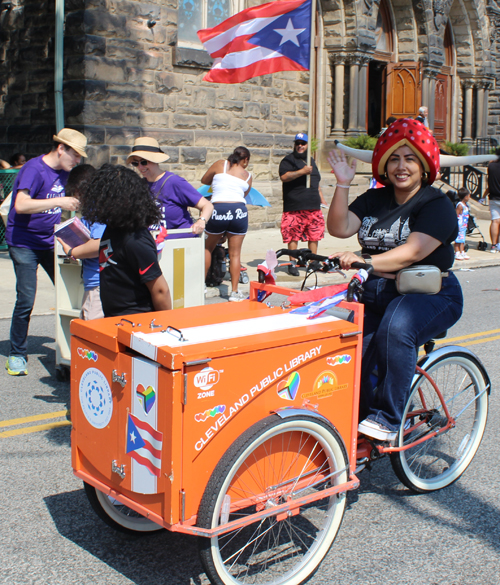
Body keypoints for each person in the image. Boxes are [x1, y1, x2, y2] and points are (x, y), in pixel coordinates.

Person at [327, 118, 463, 442]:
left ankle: (387, 419)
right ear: (384, 164)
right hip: (376, 290)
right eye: (395, 159)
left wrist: (365, 261)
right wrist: (343, 183)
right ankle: (353, 420)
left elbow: (412, 252)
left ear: (424, 164)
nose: (402, 166)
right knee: (351, 350)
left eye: (410, 158)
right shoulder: (375, 199)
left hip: (430, 293)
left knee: (396, 328)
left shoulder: (435, 203)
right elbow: (340, 227)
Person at [5, 128, 85, 376]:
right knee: (26, 298)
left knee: (71, 293)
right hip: (23, 243)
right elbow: (21, 205)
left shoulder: (65, 172)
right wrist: (59, 202)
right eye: (75, 155)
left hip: (50, 241)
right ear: (61, 148)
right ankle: (17, 354)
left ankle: (70, 354)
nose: (78, 161)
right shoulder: (33, 168)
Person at [79, 164, 172, 317]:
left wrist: (165, 324)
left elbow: (161, 290)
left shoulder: (136, 239)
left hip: (137, 321)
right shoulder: (113, 228)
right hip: (114, 317)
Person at [127, 137, 213, 239]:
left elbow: (207, 205)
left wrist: (201, 221)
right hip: (151, 244)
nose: (140, 167)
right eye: (135, 163)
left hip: (178, 243)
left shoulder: (174, 182)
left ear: (155, 160)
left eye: (144, 162)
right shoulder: (139, 185)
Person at [201, 146, 251, 302]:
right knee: (235, 254)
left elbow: (204, 180)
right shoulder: (248, 176)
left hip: (219, 208)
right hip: (238, 210)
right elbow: (244, 194)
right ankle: (234, 292)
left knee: (207, 248)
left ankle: (200, 286)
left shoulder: (220, 164)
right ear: (246, 160)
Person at [56, 164, 106, 320]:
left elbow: (97, 244)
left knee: (92, 336)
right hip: (96, 280)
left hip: (98, 281)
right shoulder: (95, 208)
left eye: (76, 192)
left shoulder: (98, 210)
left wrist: (72, 251)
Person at [279, 132, 327, 276]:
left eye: (303, 143)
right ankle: (292, 263)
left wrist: (322, 199)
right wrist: (302, 172)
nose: (300, 146)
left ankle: (313, 262)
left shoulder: (311, 161)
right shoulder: (288, 160)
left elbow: (316, 182)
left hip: (313, 205)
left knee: (314, 235)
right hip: (295, 206)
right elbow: (284, 176)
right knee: (293, 235)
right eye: (298, 143)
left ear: (307, 145)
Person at [484, 147, 500, 253]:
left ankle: (494, 245)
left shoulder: (491, 166)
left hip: (493, 197)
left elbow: (488, 180)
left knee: (495, 221)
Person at [454, 187, 471, 261]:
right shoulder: (460, 205)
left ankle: (462, 251)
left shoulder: (465, 205)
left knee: (462, 239)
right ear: (466, 196)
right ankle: (457, 252)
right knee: (458, 239)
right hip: (459, 225)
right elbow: (456, 214)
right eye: (469, 196)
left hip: (464, 225)